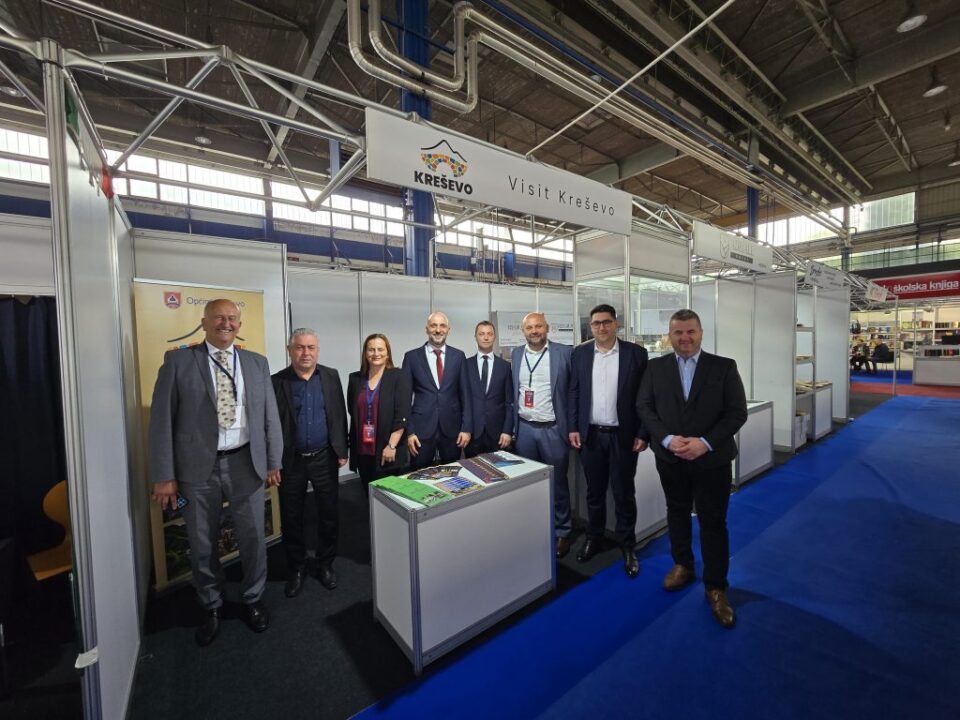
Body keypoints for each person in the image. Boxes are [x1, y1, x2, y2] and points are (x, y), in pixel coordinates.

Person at [149, 298, 282, 646]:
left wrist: (274, 460)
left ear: (240, 325)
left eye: (232, 318)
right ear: (204, 322)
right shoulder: (178, 362)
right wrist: (164, 475)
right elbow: (161, 421)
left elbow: (270, 416)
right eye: (219, 317)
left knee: (253, 537)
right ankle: (211, 604)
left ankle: (252, 598)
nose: (226, 323)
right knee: (201, 540)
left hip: (246, 463)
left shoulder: (256, 363)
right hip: (196, 471)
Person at [637, 308, 747, 629]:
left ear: (700, 333)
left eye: (690, 332)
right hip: (670, 458)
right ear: (669, 336)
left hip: (712, 460)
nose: (684, 338)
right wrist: (667, 439)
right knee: (677, 512)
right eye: (678, 332)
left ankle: (716, 586)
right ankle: (683, 565)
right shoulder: (655, 368)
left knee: (713, 521)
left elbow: (736, 413)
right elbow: (644, 406)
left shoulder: (724, 367)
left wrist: (705, 443)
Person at [568, 304, 649, 578]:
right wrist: (573, 427)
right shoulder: (580, 354)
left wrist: (643, 433)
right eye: (596, 323)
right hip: (590, 436)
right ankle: (594, 538)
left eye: (606, 322)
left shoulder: (635, 354)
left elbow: (645, 398)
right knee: (594, 492)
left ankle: (628, 545)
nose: (601, 327)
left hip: (622, 437)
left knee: (624, 493)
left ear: (616, 324)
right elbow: (574, 392)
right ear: (590, 327)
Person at [271, 328, 348, 597]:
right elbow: (270, 425)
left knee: (329, 514)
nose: (306, 353)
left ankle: (325, 563)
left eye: (311, 347)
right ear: (290, 350)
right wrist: (273, 461)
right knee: (292, 516)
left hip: (324, 457)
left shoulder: (330, 376)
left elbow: (338, 414)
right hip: (290, 461)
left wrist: (342, 448)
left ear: (317, 350)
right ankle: (297, 567)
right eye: (300, 347)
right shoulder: (277, 381)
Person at [511, 312, 574, 558]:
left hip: (553, 429)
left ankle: (562, 531)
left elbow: (573, 391)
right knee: (530, 483)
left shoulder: (564, 353)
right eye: (529, 327)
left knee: (558, 483)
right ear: (523, 331)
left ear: (547, 328)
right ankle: (536, 527)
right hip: (525, 429)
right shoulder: (517, 354)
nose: (534, 331)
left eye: (538, 326)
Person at [402, 312, 472, 469]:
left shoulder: (458, 356)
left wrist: (466, 428)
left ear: (448, 330)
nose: (438, 330)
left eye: (442, 326)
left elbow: (466, 395)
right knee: (419, 474)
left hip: (452, 429)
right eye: (433, 325)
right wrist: (409, 432)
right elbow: (404, 399)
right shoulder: (411, 357)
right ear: (426, 329)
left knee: (453, 474)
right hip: (421, 431)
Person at [347, 333, 411, 488]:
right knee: (367, 492)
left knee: (389, 495)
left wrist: (391, 446)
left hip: (387, 449)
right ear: (365, 353)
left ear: (387, 353)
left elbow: (402, 415)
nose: (376, 353)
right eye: (371, 349)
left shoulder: (398, 376)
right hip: (363, 449)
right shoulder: (355, 379)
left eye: (380, 349)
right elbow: (352, 410)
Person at [466, 321, 514, 457]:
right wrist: (464, 429)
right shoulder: (465, 365)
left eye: (489, 334)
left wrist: (507, 431)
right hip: (472, 433)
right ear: (475, 337)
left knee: (498, 469)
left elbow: (509, 402)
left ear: (494, 337)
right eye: (481, 334)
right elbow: (461, 401)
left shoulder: (505, 367)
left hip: (498, 434)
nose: (486, 337)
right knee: (473, 468)